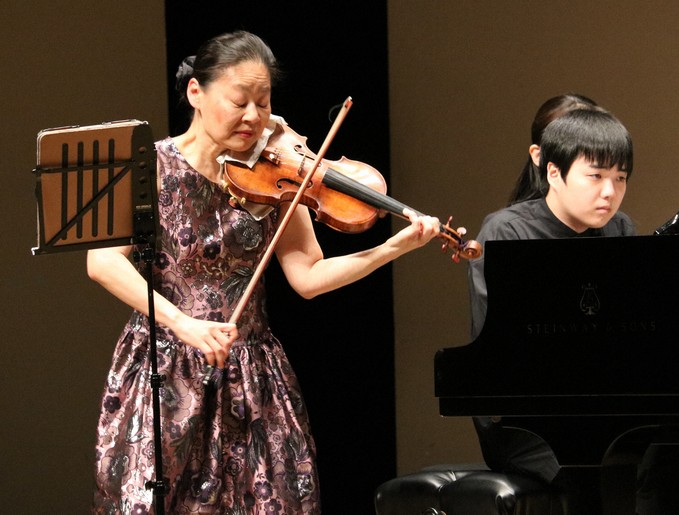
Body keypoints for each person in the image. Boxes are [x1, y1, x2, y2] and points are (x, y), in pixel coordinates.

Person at [87, 31, 441, 514]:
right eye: (239, 101)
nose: (253, 117)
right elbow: (102, 260)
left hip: (252, 375)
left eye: (263, 102)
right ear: (196, 93)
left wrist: (390, 248)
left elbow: (308, 275)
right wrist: (183, 323)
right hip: (163, 370)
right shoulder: (146, 165)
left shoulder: (274, 175)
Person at [467, 98, 679, 514]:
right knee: (623, 466)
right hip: (530, 422)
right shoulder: (507, 231)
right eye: (596, 176)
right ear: (552, 172)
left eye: (620, 178)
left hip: (605, 408)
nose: (609, 192)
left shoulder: (619, 228)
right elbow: (503, 350)